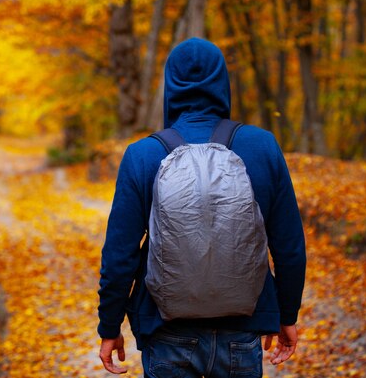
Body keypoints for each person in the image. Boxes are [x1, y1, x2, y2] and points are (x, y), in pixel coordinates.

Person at [97, 37, 306, 377]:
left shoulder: (143, 155)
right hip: (242, 331)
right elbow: (289, 247)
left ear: (170, 85)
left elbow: (120, 255)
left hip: (166, 333)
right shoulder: (262, 146)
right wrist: (286, 314)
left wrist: (109, 326)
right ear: (223, 82)